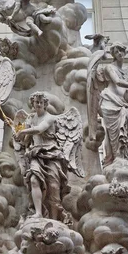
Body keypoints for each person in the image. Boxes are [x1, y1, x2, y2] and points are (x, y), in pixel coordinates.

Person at [15, 92, 83, 221]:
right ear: (33, 103)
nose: (39, 104)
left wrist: (22, 131)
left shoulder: (51, 118)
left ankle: (54, 219)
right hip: (36, 154)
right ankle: (38, 213)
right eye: (36, 102)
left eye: (41, 102)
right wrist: (19, 137)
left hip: (52, 154)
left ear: (46, 104)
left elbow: (40, 129)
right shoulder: (29, 119)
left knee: (53, 187)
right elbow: (26, 141)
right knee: (34, 180)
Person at [89, 42, 128, 166]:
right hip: (111, 102)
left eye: (121, 50)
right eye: (117, 52)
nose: (120, 53)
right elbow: (117, 81)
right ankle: (117, 157)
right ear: (114, 55)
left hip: (126, 104)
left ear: (125, 52)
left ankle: (127, 153)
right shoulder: (109, 68)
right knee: (113, 135)